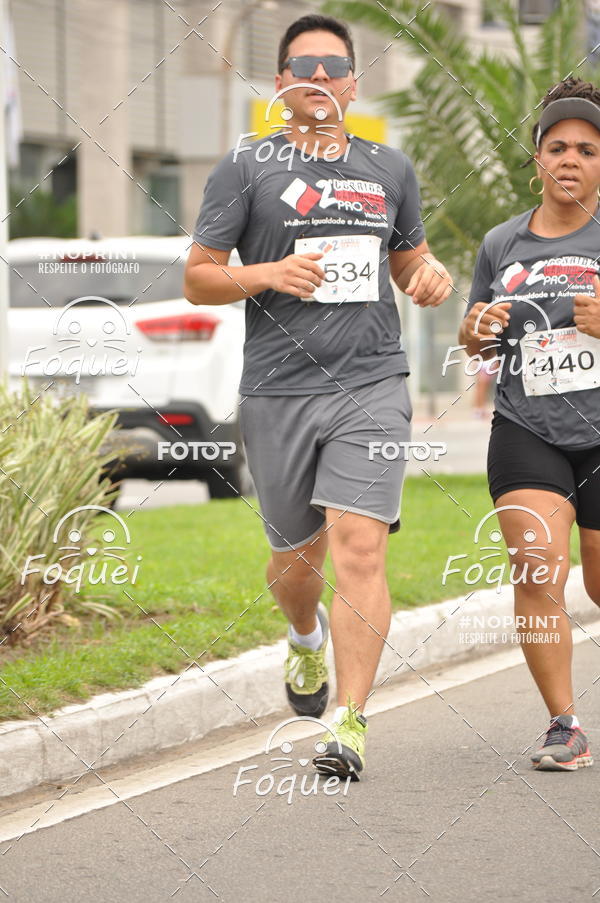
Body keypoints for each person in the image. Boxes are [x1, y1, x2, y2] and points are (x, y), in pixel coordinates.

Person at [185, 14, 452, 780]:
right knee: (295, 563)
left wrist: (428, 277)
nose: (321, 78)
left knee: (360, 547)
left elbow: (410, 261)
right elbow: (198, 275)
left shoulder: (388, 168)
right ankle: (304, 636)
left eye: (335, 67)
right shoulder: (245, 170)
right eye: (305, 65)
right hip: (278, 387)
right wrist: (265, 274)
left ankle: (350, 721)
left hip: (371, 381)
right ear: (280, 83)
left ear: (353, 84)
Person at [460, 77, 600, 771]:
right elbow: (475, 340)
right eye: (557, 147)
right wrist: (476, 328)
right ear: (537, 158)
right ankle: (564, 722)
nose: (570, 159)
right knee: (538, 564)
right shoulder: (500, 243)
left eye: (587, 149)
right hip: (526, 425)